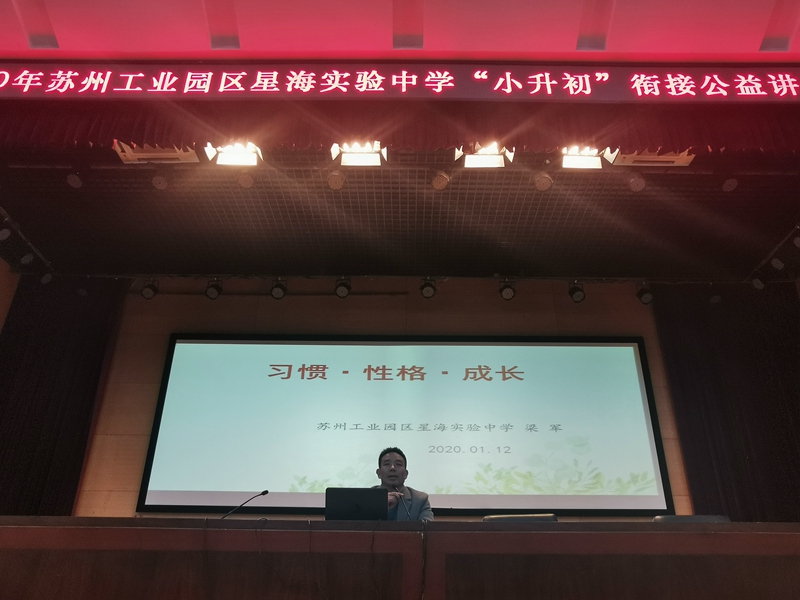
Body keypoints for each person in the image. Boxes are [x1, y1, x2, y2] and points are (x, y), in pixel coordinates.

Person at [374, 447, 433, 521]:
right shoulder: (366, 499)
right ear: (378, 473)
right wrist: (381, 505)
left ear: (406, 474)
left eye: (398, 464)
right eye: (387, 464)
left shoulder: (420, 500)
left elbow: (427, 527)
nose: (392, 468)